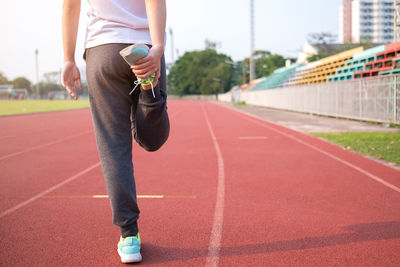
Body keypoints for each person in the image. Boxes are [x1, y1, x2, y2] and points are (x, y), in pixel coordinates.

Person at [61, 0, 169, 263]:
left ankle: (129, 236)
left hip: (103, 49)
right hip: (144, 46)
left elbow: (70, 6)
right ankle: (149, 93)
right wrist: (157, 48)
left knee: (114, 147)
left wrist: (67, 59)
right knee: (152, 140)